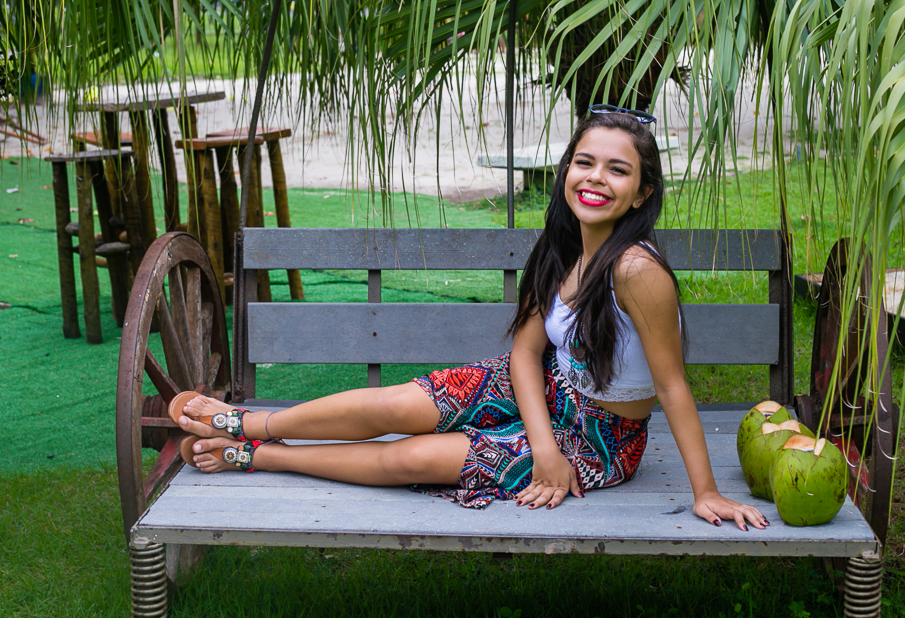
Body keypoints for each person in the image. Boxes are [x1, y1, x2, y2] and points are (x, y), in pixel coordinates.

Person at [172, 108, 769, 531]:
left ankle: (262, 455)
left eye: (618, 170)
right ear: (566, 172)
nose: (596, 178)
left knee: (414, 457)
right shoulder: (565, 247)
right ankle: (247, 422)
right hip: (544, 392)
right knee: (395, 407)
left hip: (602, 437)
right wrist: (540, 443)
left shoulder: (637, 271)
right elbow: (526, 354)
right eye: (585, 162)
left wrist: (706, 492)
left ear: (641, 192)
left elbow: (672, 387)